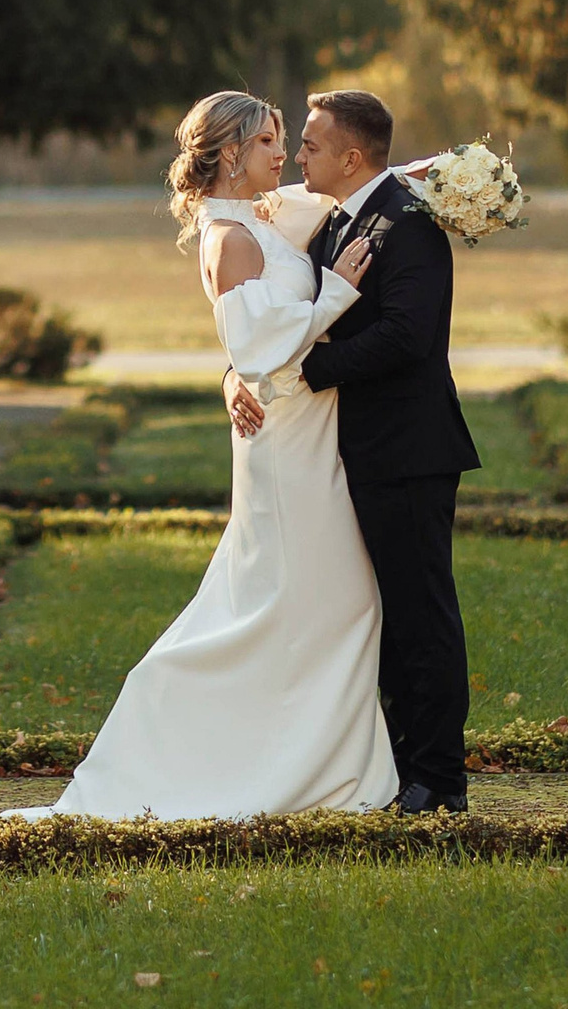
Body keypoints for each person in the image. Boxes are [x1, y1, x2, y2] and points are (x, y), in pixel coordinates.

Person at [2, 89, 400, 823]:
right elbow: (257, 346)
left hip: (309, 429)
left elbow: (373, 183)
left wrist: (464, 175)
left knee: (332, 601)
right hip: (286, 443)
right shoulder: (229, 237)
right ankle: (216, 738)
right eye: (267, 144)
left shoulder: (263, 214)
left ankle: (324, 767)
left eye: (287, 141)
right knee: (301, 600)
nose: (282, 157)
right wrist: (338, 290)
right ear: (228, 155)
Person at [230, 88, 483, 814]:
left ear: (349, 156)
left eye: (308, 144)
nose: (296, 155)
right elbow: (278, 319)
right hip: (356, 452)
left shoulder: (408, 225)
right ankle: (403, 768)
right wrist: (243, 374)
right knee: (387, 619)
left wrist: (307, 372)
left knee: (421, 616)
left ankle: (440, 778)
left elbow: (406, 335)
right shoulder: (339, 217)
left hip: (409, 447)